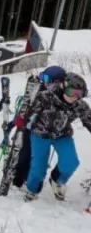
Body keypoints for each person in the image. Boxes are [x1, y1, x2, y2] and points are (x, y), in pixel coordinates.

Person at [22, 72, 91, 202]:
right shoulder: (45, 97)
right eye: (71, 92)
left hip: (62, 134)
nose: (74, 97)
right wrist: (24, 120)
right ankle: (32, 189)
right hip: (40, 133)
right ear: (63, 86)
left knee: (71, 162)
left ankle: (57, 180)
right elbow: (29, 113)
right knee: (38, 167)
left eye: (79, 94)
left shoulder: (79, 105)